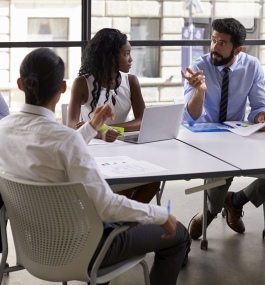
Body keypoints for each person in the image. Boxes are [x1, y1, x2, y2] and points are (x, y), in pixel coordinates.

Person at [0, 48, 190, 285]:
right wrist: (161, 214)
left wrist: (91, 127)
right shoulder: (64, 139)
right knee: (179, 234)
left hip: (34, 247)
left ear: (20, 84)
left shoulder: (4, 129)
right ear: (62, 88)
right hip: (85, 248)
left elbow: (57, 148)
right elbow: (107, 207)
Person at [181, 18, 265, 239]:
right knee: (220, 169)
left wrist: (262, 117)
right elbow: (191, 117)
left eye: (222, 43)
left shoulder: (251, 66)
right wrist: (200, 91)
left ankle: (236, 200)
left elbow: (259, 106)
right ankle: (211, 213)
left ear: (238, 49)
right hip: (205, 138)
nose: (215, 47)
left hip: (237, 135)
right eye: (213, 40)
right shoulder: (197, 68)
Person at [68, 28, 159, 204]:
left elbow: (142, 120)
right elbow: (72, 126)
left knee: (154, 180)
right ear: (110, 56)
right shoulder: (82, 83)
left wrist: (110, 129)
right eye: (126, 54)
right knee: (124, 185)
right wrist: (100, 132)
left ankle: (123, 225)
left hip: (124, 148)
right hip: (94, 150)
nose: (131, 59)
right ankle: (119, 226)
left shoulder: (131, 81)